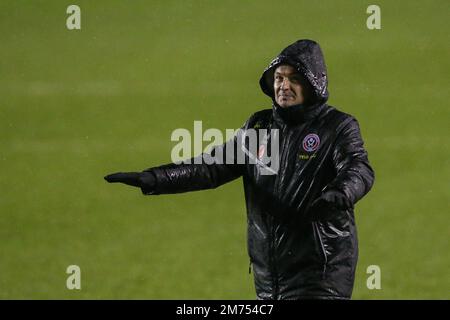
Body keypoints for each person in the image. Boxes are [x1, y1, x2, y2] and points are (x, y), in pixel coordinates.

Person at [104, 39, 375, 300]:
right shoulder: (259, 127)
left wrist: (342, 191)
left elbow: (358, 167)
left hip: (321, 272)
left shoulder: (337, 127)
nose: (283, 86)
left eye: (294, 78)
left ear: (312, 83)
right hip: (270, 277)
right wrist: (155, 178)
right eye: (279, 78)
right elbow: (211, 167)